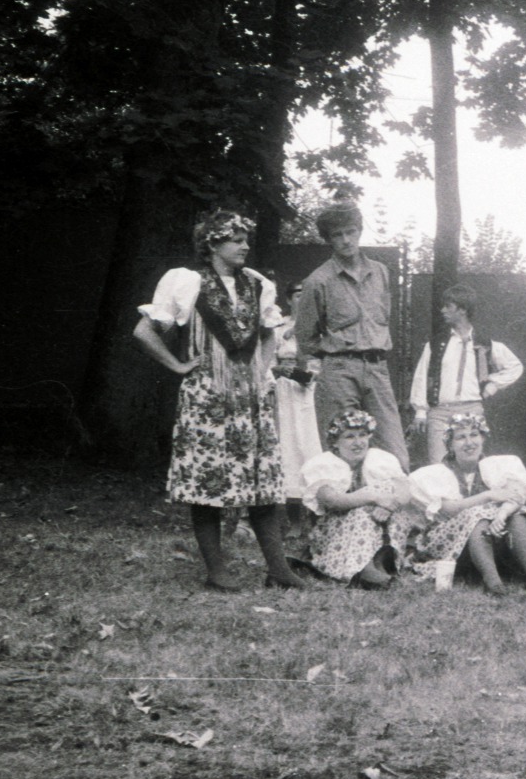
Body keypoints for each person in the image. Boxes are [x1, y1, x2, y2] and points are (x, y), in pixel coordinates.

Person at [132, 209, 305, 591]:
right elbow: (145, 331)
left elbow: (269, 332)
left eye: (246, 239)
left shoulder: (257, 284)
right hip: (207, 397)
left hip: (250, 399)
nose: (245, 246)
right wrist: (178, 365)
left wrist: (260, 373)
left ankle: (278, 569)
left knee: (262, 483)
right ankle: (216, 572)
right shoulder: (187, 283)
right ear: (212, 243)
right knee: (208, 484)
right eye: (236, 239)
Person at [294, 202, 410, 469]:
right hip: (339, 370)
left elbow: (384, 318)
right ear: (329, 240)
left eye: (350, 232)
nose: (346, 240)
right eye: (337, 235)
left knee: (394, 449)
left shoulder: (380, 272)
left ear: (359, 231)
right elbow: (306, 337)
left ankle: (392, 508)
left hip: (377, 368)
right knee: (342, 452)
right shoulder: (318, 280)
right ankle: (341, 508)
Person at [409, 412, 526, 596]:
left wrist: (502, 514)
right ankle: (492, 583)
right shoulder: (437, 473)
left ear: (483, 438)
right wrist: (488, 496)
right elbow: (450, 509)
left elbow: (515, 496)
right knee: (476, 515)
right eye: (461, 438)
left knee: (516, 514)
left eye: (474, 435)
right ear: (450, 445)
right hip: (451, 547)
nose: (469, 442)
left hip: (494, 540)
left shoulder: (498, 466)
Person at [409, 283, 523, 465]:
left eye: (448, 306)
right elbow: (421, 377)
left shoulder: (484, 343)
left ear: (462, 310)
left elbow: (515, 367)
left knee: (470, 465)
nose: (442, 310)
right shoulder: (437, 344)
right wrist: (420, 412)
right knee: (438, 465)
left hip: (472, 411)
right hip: (440, 413)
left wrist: (491, 385)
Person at [300, 409, 412, 588]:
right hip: (336, 532)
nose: (358, 442)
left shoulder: (380, 460)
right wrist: (373, 497)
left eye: (362, 435)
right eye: (350, 437)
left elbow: (405, 491)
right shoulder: (324, 464)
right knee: (364, 509)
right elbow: (332, 501)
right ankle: (362, 569)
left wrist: (388, 505)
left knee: (394, 502)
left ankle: (382, 563)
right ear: (335, 442)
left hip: (380, 524)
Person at [273, 278, 323, 523]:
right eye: (296, 295)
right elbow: (267, 362)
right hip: (285, 395)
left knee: (312, 446)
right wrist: (279, 371)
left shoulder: (321, 328)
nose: (302, 299)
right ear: (288, 299)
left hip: (311, 393)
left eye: (307, 295)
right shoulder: (278, 328)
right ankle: (293, 519)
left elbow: (323, 365)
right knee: (289, 447)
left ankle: (316, 515)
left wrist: (308, 375)